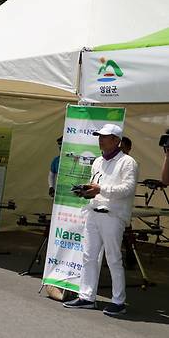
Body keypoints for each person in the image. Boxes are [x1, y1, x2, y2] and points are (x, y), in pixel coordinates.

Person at [63, 124, 139, 316]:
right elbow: (96, 185)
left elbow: (128, 189)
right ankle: (87, 296)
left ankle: (118, 301)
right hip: (93, 212)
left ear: (116, 140)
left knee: (113, 258)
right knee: (89, 256)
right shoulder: (97, 161)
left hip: (112, 216)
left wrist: (100, 190)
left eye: (105, 137)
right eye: (99, 136)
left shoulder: (128, 162)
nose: (100, 139)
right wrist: (87, 192)